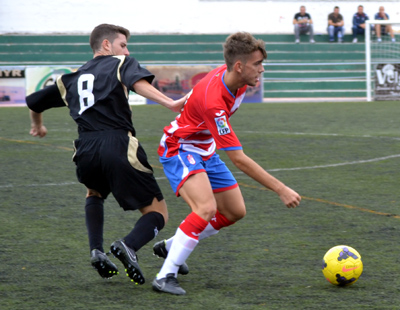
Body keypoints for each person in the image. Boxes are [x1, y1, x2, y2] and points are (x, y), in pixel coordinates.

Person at [26, 23, 187, 285]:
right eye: (122, 45)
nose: (126, 50)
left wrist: (37, 125)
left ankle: (96, 251)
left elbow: (33, 101)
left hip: (85, 149)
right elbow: (137, 82)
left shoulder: (70, 78)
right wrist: (169, 102)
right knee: (158, 212)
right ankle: (129, 245)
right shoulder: (120, 63)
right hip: (117, 143)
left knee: (94, 193)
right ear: (106, 45)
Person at [151, 32, 301, 295]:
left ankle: (171, 246)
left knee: (234, 212)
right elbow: (239, 159)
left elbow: (201, 89)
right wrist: (281, 189)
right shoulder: (214, 103)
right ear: (240, 66)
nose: (262, 69)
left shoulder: (235, 78)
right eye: (257, 64)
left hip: (205, 149)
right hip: (180, 147)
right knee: (205, 208)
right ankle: (165, 276)